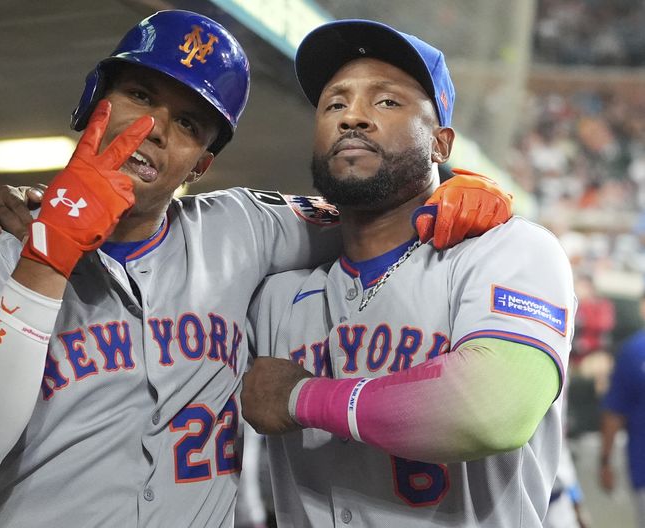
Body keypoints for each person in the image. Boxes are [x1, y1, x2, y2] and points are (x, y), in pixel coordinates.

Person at [0, 10, 512, 527]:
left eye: (189, 124)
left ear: (200, 164)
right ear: (94, 101)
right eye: (141, 96)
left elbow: (370, 209)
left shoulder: (242, 228)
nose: (154, 131)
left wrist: (452, 188)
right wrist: (47, 256)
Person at [241, 19, 575, 527]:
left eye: (387, 102)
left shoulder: (509, 251)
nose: (353, 117)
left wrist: (300, 396)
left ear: (441, 144)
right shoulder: (278, 290)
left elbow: (493, 408)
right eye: (334, 104)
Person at [599, 294, 645, 528]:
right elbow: (614, 412)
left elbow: (614, 413)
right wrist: (606, 462)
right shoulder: (633, 352)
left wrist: (605, 462)